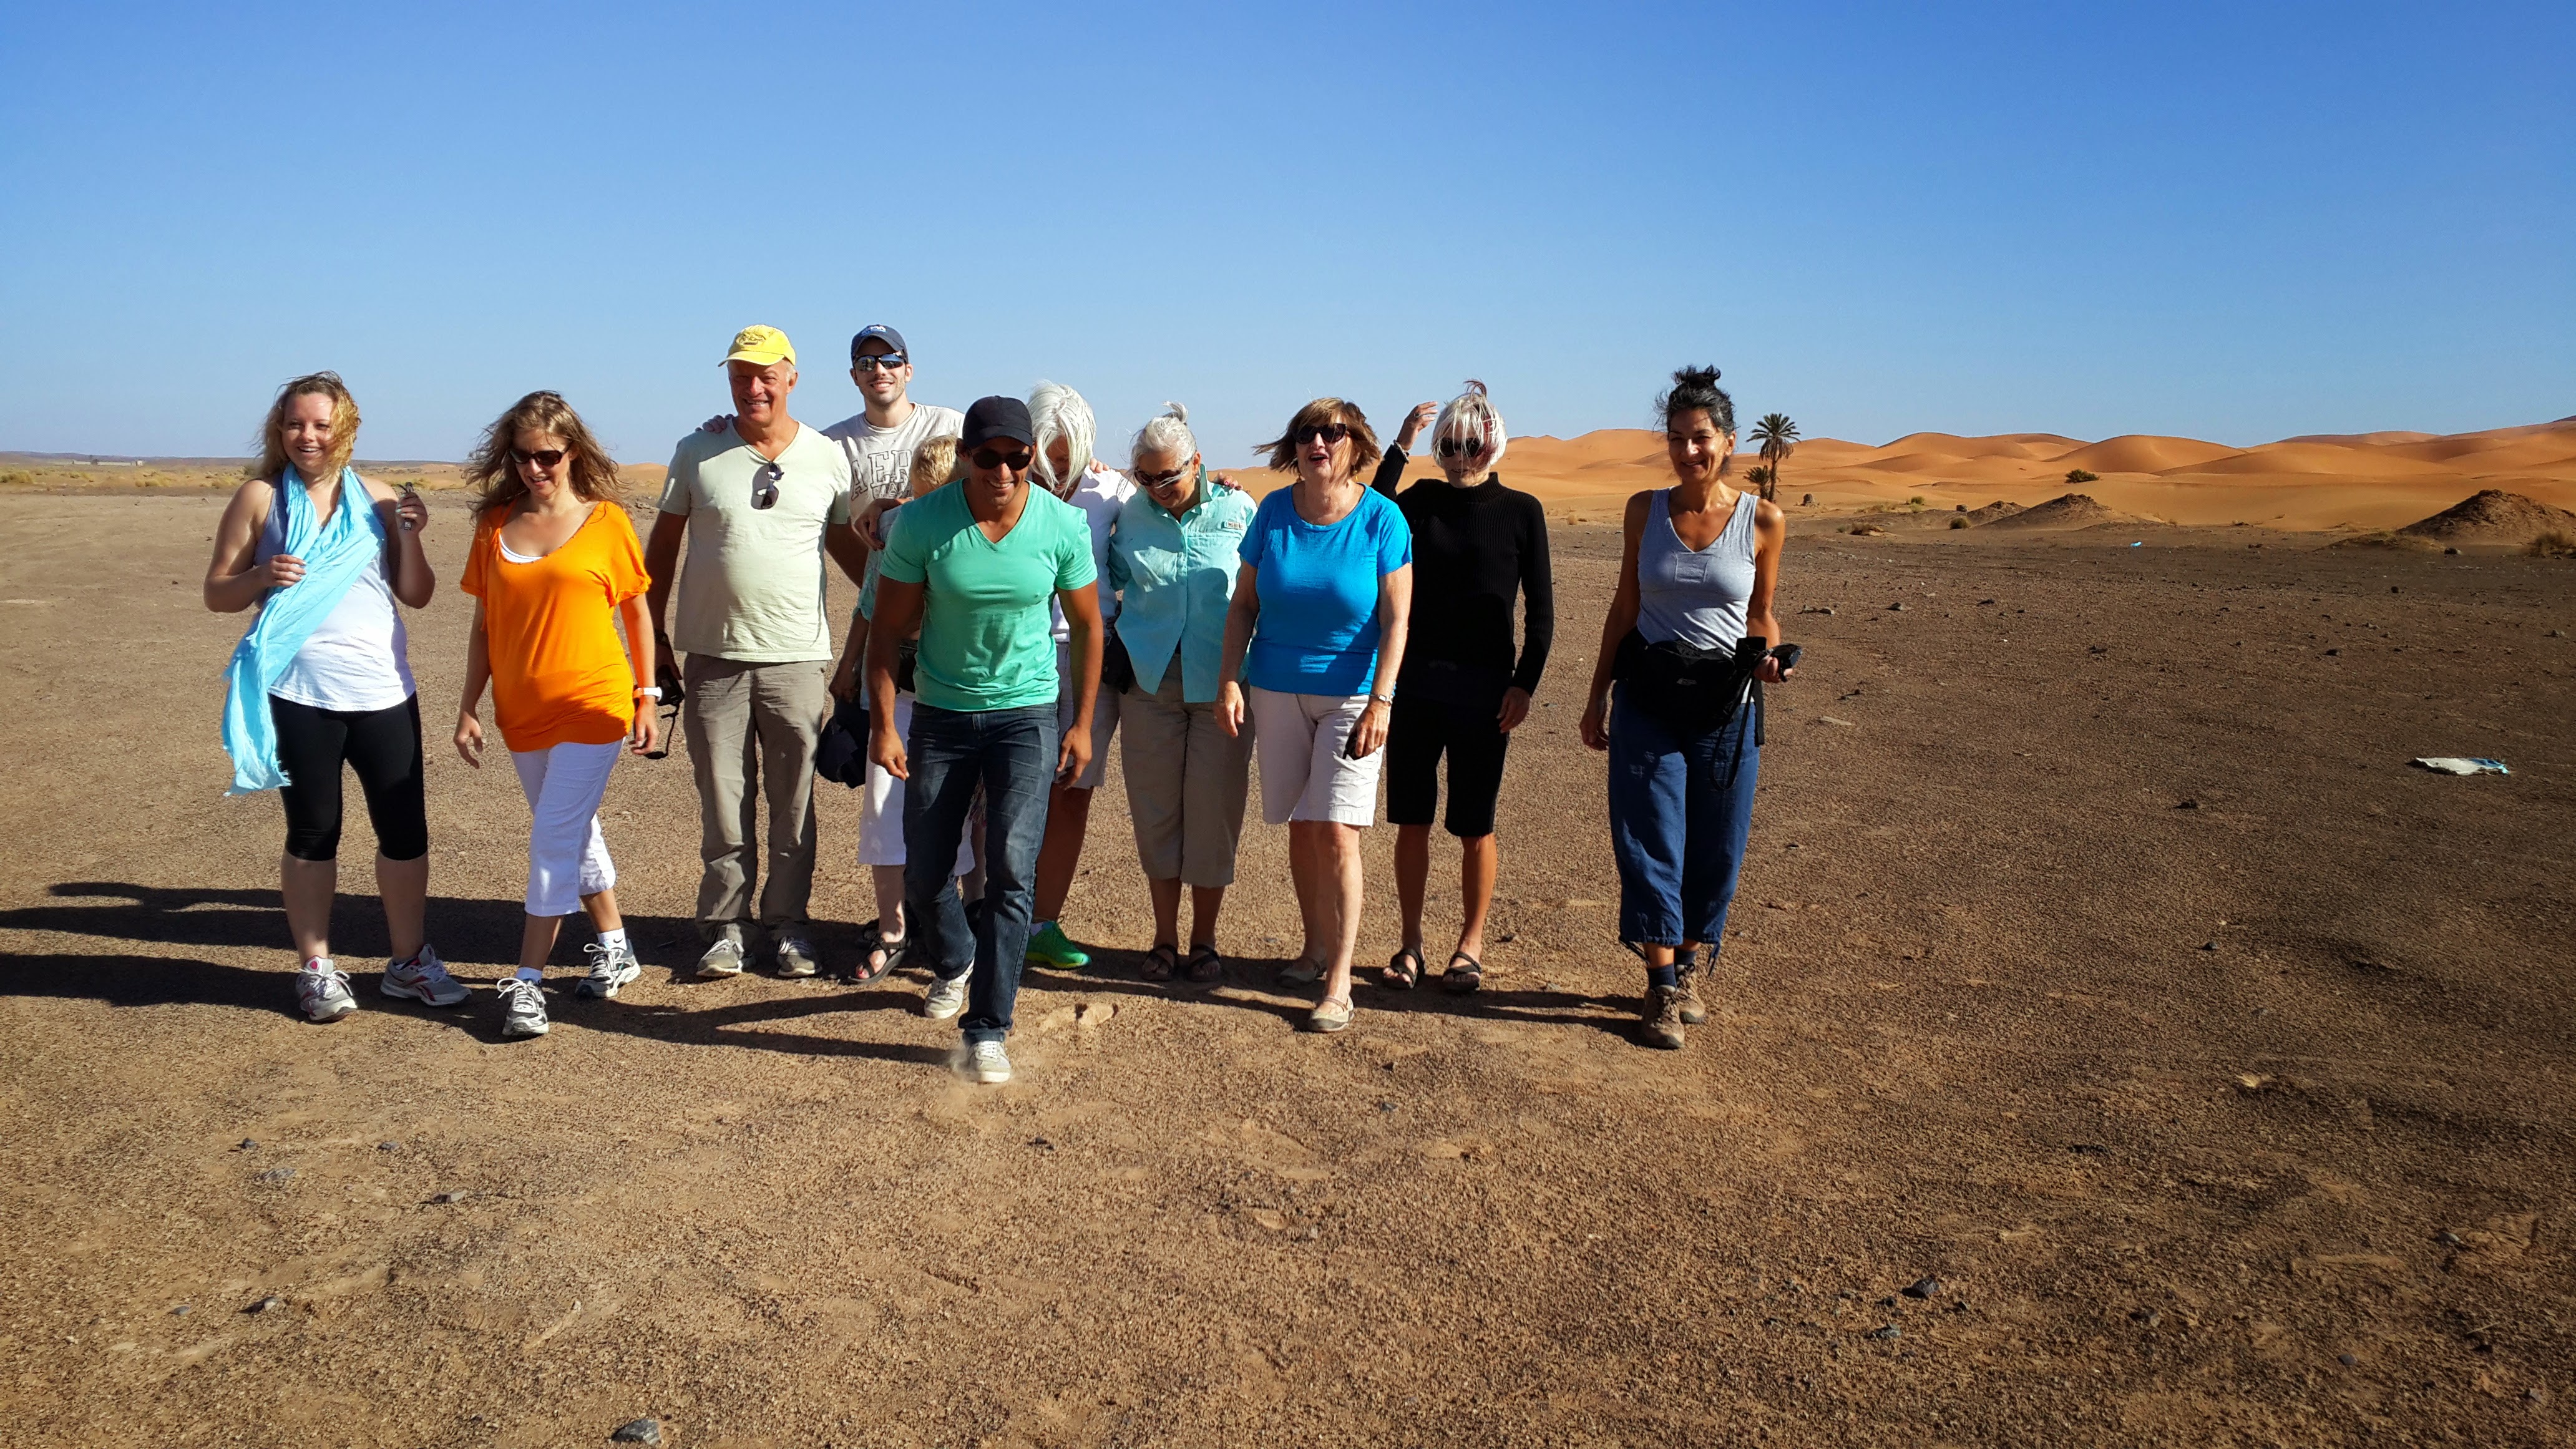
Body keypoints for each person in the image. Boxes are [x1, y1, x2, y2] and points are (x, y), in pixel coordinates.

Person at [204, 372, 461, 1023]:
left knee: (405, 832)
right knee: (314, 831)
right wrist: (261, 575)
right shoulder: (260, 498)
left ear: (344, 428)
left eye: (321, 425)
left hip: (381, 688)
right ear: (279, 429)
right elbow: (217, 591)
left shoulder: (378, 498)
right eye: (295, 425)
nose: (307, 437)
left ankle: (409, 964)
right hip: (299, 691)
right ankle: (316, 967)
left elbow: (418, 593)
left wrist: (411, 535)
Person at [867, 396, 1103, 1085]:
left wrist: (1081, 723)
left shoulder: (1061, 524)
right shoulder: (922, 524)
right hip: (941, 715)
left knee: (1010, 868)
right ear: (966, 455)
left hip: (1026, 716)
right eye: (988, 456)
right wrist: (884, 722)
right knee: (925, 873)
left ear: (1033, 457)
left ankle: (988, 1026)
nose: (1003, 470)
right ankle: (956, 955)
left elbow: (1088, 626)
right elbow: (887, 631)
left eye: (1017, 457)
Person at [1577, 366, 1795, 1050]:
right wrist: (1597, 694)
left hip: (1727, 707)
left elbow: (1763, 616)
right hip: (1648, 699)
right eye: (1676, 439)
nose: (1688, 451)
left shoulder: (1764, 520)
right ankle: (1662, 987)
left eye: (1700, 438)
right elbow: (1625, 606)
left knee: (1717, 848)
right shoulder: (1644, 511)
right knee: (1647, 840)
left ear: (1728, 442)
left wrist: (1771, 656)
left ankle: (1693, 964)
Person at [645, 326, 864, 980]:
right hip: (713, 658)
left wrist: (896, 608)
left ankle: (791, 926)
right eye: (742, 375)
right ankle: (726, 926)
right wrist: (653, 641)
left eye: (767, 374)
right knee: (722, 801)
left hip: (797, 659)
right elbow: (661, 552)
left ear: (792, 378)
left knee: (794, 803)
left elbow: (850, 551)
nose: (754, 387)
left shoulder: (827, 457)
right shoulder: (699, 451)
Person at [453, 393, 660, 1037]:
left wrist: (646, 696)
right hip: (523, 711)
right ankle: (616, 945)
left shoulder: (607, 522)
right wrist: (468, 705)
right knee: (571, 829)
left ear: (573, 452)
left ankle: (527, 982)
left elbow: (636, 613)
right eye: (522, 456)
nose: (535, 468)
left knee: (551, 839)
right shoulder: (495, 524)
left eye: (548, 455)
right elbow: (486, 622)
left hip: (594, 702)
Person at [1217, 398, 1413, 1034]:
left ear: (1356, 445)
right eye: (1306, 434)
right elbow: (1243, 606)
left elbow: (1396, 619)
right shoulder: (1274, 513)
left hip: (1354, 695)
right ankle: (1315, 948)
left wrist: (1382, 699)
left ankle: (1339, 982)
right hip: (1275, 689)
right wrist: (1230, 679)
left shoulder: (1383, 519)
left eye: (1332, 434)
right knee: (1301, 827)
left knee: (1338, 832)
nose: (1318, 443)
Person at [1367, 383, 1553, 993]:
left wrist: (1525, 685)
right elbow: (1372, 505)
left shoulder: (1522, 511)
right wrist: (1400, 444)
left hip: (1485, 696)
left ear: (1492, 446)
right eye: (1449, 444)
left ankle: (1470, 946)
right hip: (1416, 688)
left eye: (1470, 444)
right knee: (1412, 821)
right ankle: (1411, 944)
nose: (1459, 455)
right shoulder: (1419, 501)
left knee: (1476, 825)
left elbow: (1542, 611)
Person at [1108, 404, 1257, 985]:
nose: (1157, 488)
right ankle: (1165, 939)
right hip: (1150, 684)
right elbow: (1105, 576)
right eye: (1145, 477)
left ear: (1198, 462)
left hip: (1224, 686)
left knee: (1214, 812)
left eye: (1169, 475)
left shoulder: (1239, 509)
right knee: (1157, 812)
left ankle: (1206, 941)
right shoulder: (1133, 517)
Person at [831, 434, 978, 985]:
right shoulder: (896, 529)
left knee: (966, 812)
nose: (922, 510)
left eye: (934, 499)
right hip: (900, 691)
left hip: (962, 694)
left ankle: (962, 923)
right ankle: (894, 928)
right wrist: (849, 666)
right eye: (915, 498)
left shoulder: (989, 531)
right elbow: (871, 604)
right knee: (886, 805)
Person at [1024, 382, 1134, 972]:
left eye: (1069, 456)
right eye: (1050, 457)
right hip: (1018, 655)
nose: (1059, 471)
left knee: (1071, 791)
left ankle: (1042, 921)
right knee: (1003, 790)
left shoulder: (1112, 490)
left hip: (1089, 657)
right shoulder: (1006, 480)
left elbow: (1172, 504)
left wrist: (1223, 490)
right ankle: (988, 912)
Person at [823, 324, 965, 504]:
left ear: (908, 372)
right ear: (855, 376)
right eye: (866, 363)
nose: (880, 370)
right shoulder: (832, 444)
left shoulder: (952, 426)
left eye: (891, 361)